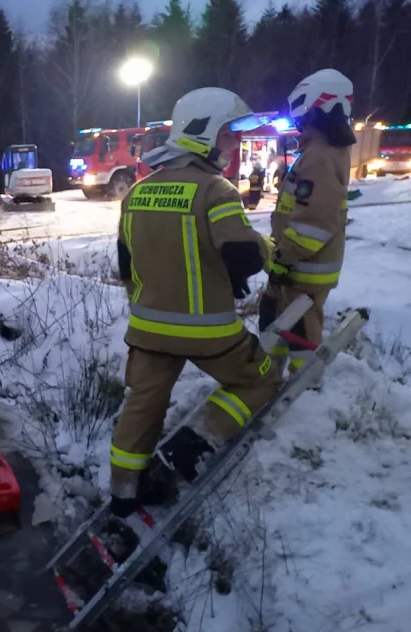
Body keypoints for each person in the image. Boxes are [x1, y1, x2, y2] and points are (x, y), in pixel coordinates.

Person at [109, 87, 283, 517]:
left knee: (143, 404)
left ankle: (123, 492)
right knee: (262, 378)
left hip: (147, 332)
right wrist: (268, 247)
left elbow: (127, 266)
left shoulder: (136, 193)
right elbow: (242, 254)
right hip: (210, 334)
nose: (234, 143)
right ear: (204, 134)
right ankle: (198, 440)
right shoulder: (216, 190)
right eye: (228, 134)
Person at [260, 69, 355, 376]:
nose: (298, 119)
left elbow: (314, 219)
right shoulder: (322, 150)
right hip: (297, 265)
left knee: (300, 331)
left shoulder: (321, 156)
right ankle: (269, 375)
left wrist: (284, 258)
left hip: (303, 268)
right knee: (274, 318)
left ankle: (304, 388)